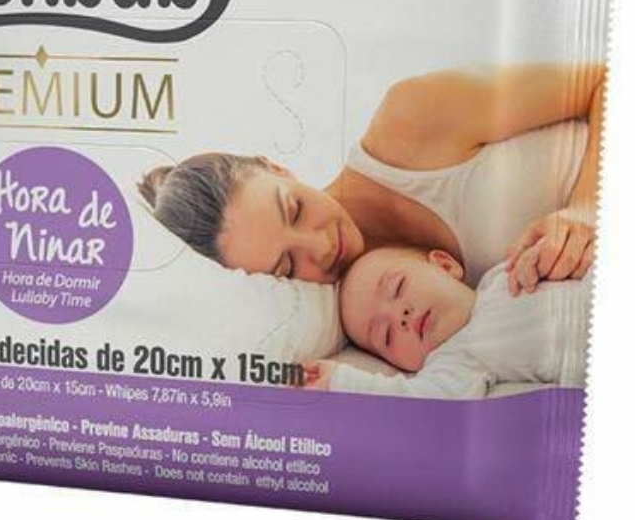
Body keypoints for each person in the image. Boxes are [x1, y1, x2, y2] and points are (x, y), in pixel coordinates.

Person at [138, 64, 604, 295]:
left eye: (294, 209)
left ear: (276, 167)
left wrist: (587, 210)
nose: (320, 248)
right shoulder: (370, 312)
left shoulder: (410, 119)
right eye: (287, 267)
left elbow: (603, 78)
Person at [300, 246, 588, 398]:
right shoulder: (455, 359)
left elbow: (572, 252)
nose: (400, 317)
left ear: (445, 265)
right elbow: (419, 401)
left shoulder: (505, 273)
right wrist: (342, 381)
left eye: (398, 287)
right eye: (386, 335)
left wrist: (545, 255)